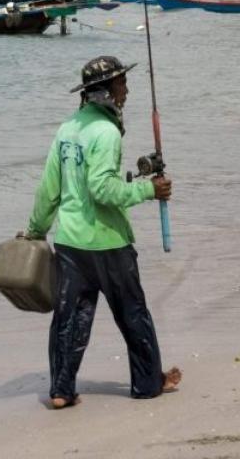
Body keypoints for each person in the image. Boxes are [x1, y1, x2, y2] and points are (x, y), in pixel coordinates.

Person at [24, 56, 181, 409]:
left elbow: (49, 188)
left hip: (69, 242)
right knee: (133, 313)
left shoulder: (67, 128)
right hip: (108, 243)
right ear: (107, 91)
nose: (126, 89)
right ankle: (146, 384)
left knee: (69, 318)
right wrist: (148, 190)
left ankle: (61, 390)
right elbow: (103, 190)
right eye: (122, 83)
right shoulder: (107, 132)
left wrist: (35, 230)